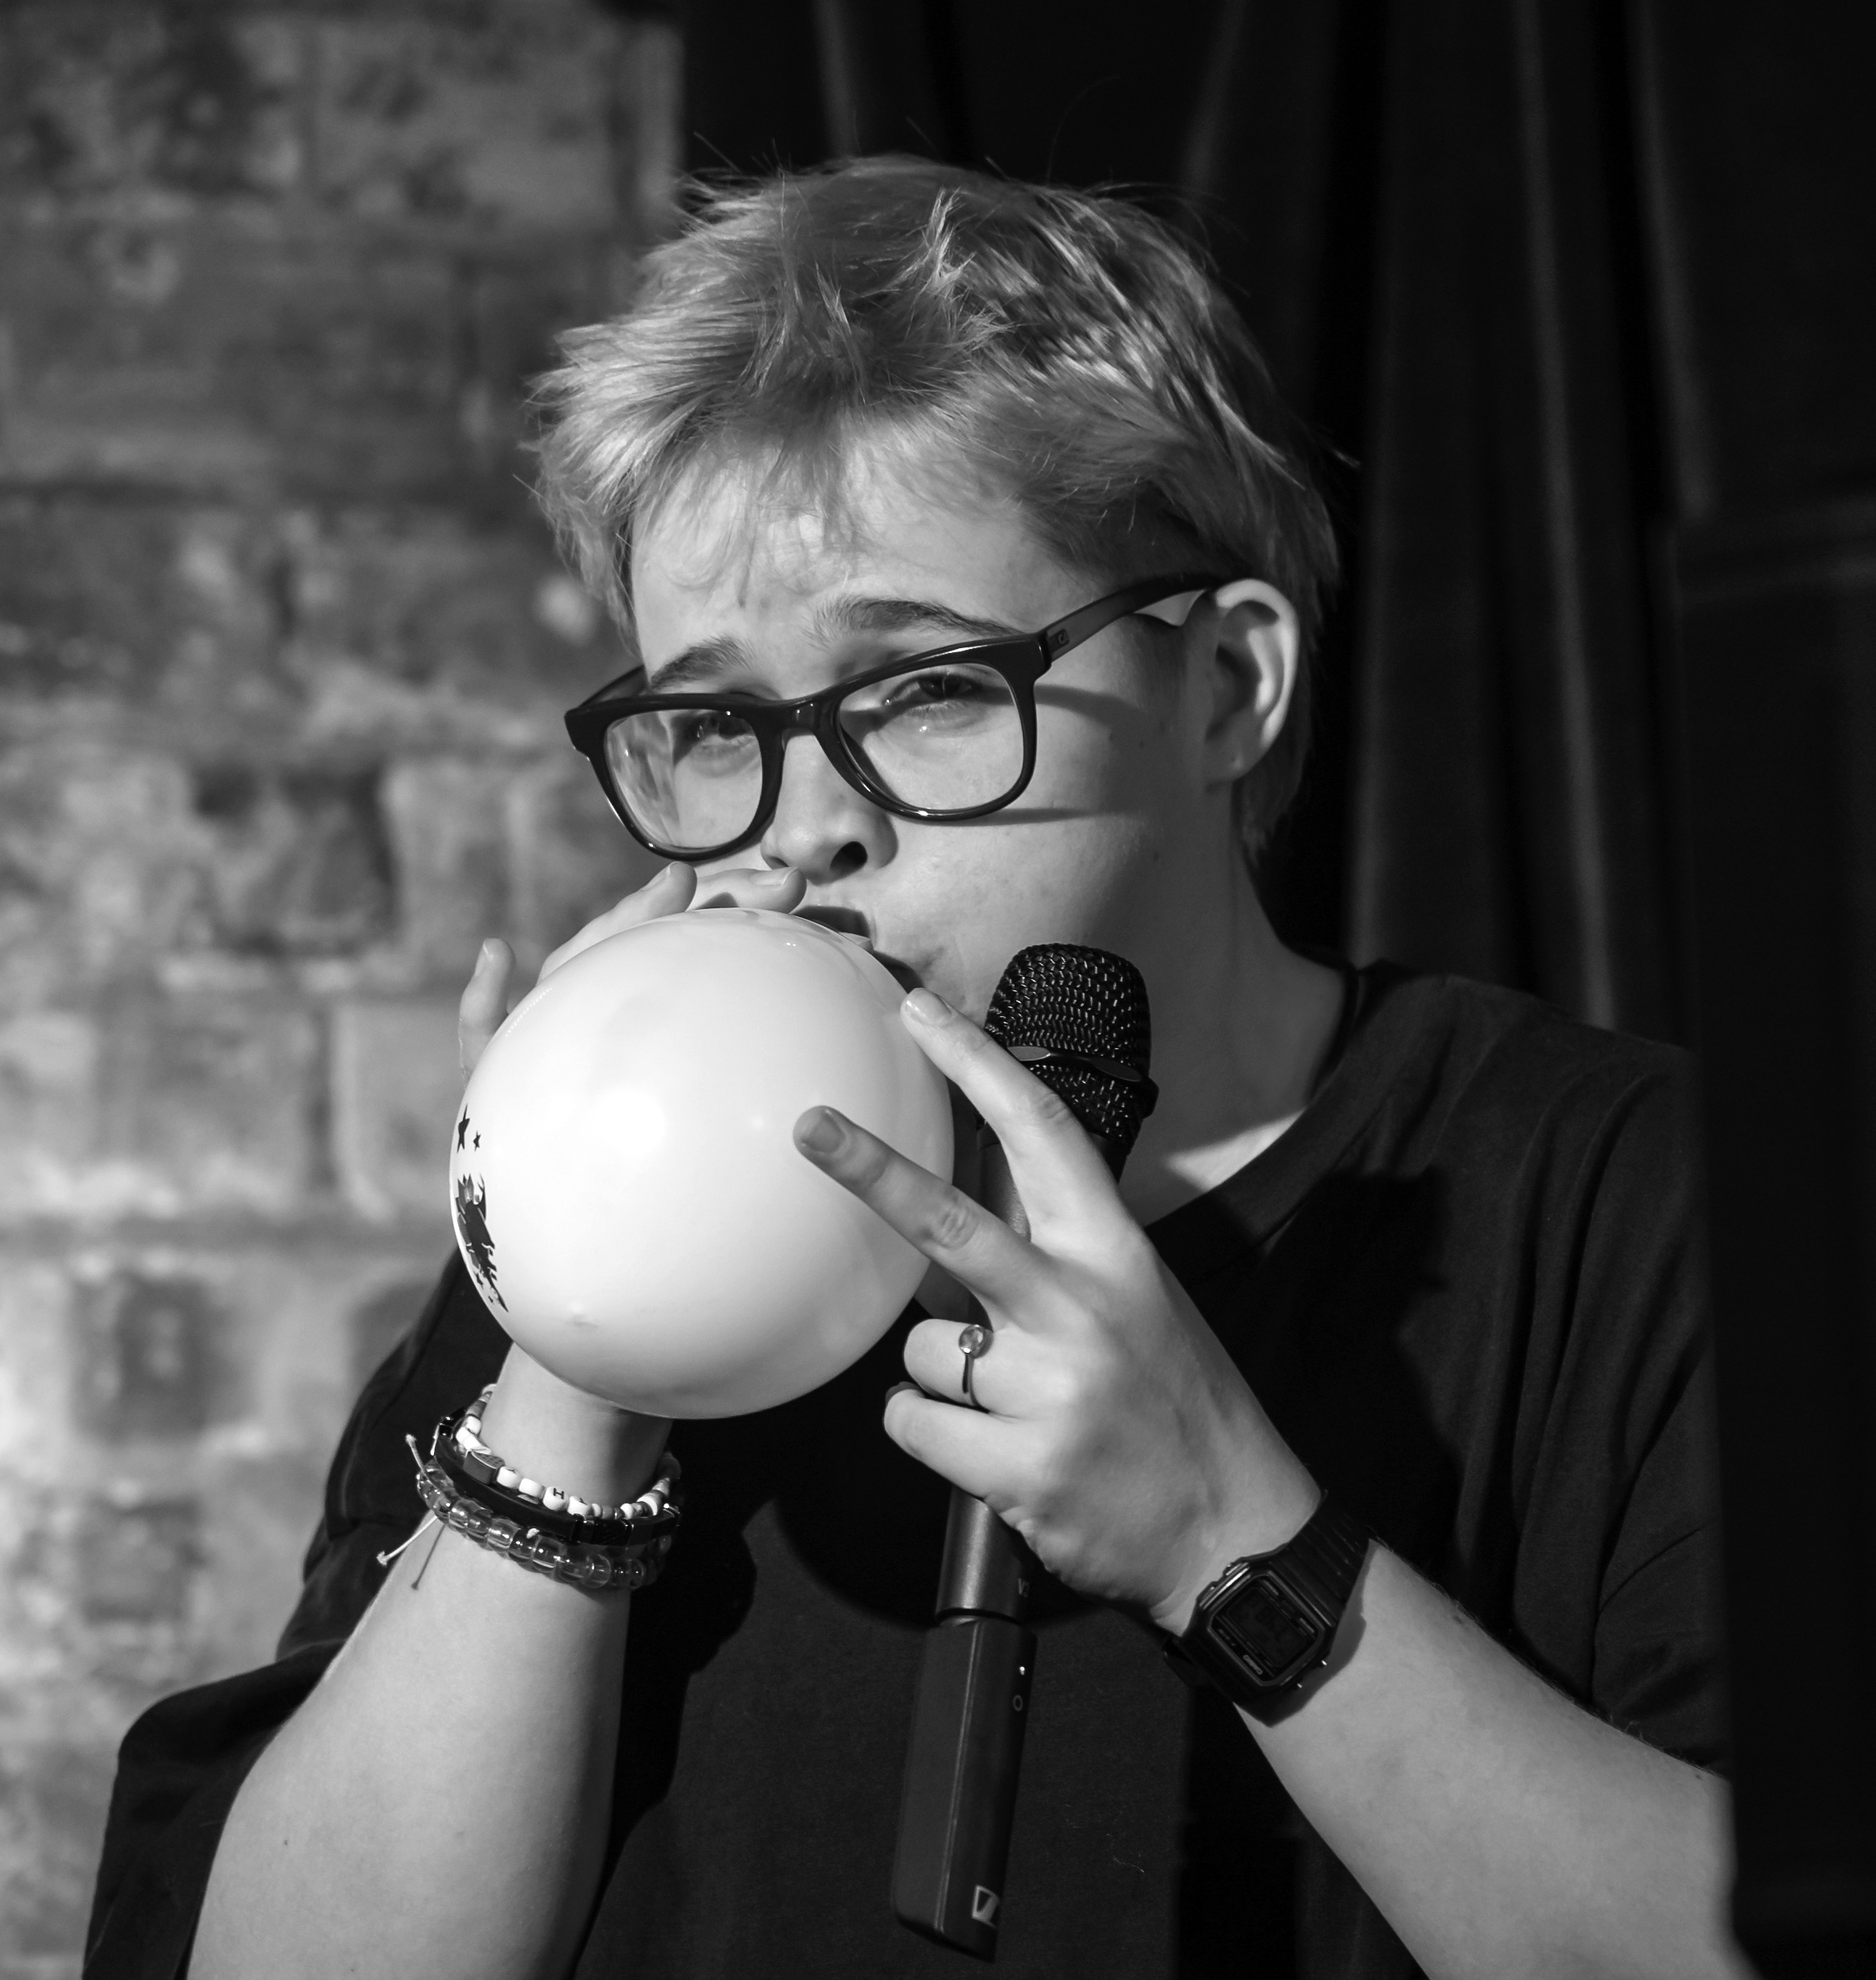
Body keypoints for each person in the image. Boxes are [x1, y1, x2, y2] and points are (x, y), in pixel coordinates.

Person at [86, 159, 1740, 1980]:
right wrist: (566, 1369)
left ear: (1226, 689)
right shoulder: (602, 1247)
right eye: (712, 728)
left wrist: (1228, 1543)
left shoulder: (1637, 1200)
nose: (800, 831)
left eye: (926, 691)